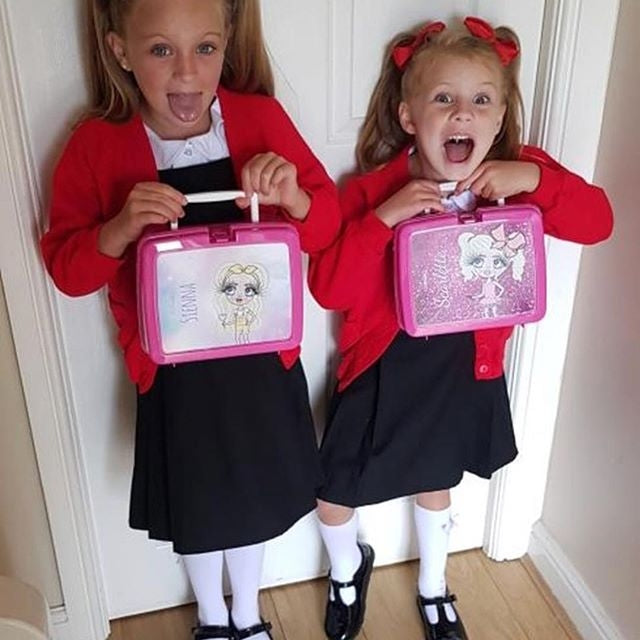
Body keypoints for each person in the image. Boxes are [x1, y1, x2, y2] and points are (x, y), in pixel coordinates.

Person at [40, 1, 340, 638]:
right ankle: (212, 617)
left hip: (260, 359)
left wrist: (293, 196)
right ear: (120, 51)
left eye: (204, 48)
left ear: (227, 41)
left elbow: (326, 227)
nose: (186, 73)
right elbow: (68, 271)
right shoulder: (96, 146)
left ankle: (246, 613)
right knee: (199, 502)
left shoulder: (259, 118)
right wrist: (119, 228)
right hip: (176, 374)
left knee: (253, 496)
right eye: (160, 50)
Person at [309, 16, 613, 640]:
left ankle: (433, 585)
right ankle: (346, 569)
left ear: (498, 120)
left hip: (464, 367)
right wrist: (384, 219)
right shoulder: (372, 191)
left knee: (436, 482)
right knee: (333, 490)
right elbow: (328, 289)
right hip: (383, 364)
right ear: (408, 116)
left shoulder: (518, 179)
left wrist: (536, 179)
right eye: (443, 98)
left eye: (480, 100)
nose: (462, 114)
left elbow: (597, 221)